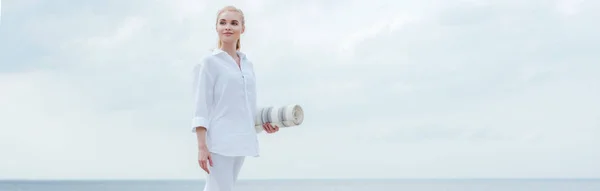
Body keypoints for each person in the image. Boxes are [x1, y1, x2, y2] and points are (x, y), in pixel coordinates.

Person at [191, 5, 280, 191]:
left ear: (242, 29)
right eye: (222, 23)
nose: (228, 27)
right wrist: (202, 146)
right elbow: (201, 106)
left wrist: (264, 123)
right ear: (216, 27)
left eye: (234, 23)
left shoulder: (248, 65)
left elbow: (245, 105)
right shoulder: (209, 62)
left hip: (241, 140)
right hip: (218, 141)